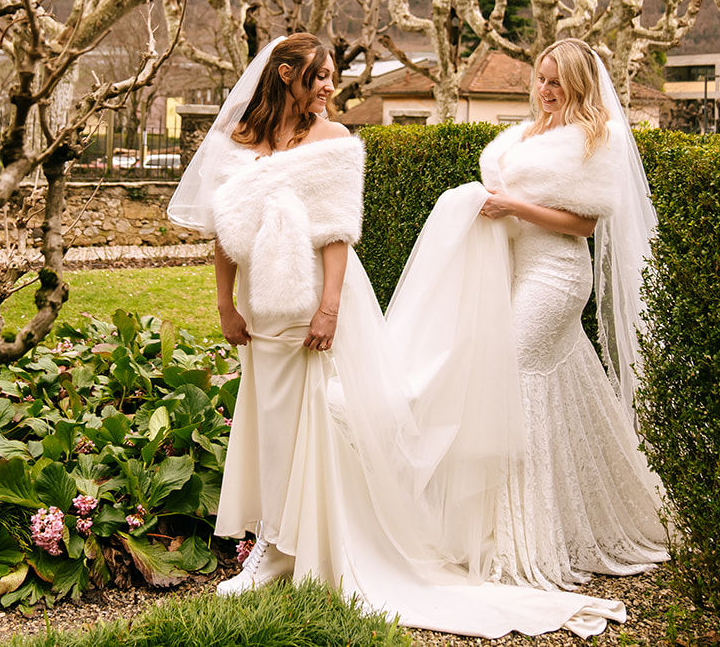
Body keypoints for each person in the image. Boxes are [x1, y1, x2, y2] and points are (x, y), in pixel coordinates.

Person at [166, 32, 625, 638]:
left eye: (553, 81)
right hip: (262, 297)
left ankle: (320, 542)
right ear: (283, 76)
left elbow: (336, 231)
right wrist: (224, 302)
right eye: (322, 74)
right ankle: (273, 541)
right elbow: (224, 226)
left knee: (330, 412)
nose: (332, 85)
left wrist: (330, 306)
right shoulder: (242, 141)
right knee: (267, 417)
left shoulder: (334, 140)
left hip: (347, 293)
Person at [388, 37, 669, 591]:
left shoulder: (595, 138)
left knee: (514, 377)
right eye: (541, 78)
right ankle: (571, 514)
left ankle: (527, 534)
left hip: (559, 274)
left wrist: (513, 206)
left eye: (557, 81)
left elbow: (584, 225)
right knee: (554, 381)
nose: (546, 90)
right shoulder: (525, 135)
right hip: (517, 268)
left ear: (579, 85)